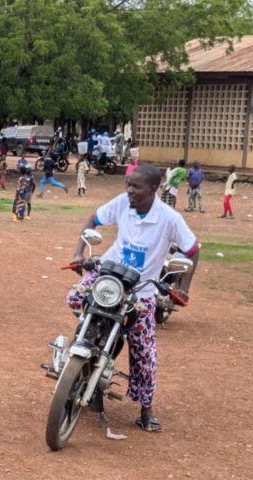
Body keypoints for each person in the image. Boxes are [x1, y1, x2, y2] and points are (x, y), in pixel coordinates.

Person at [67, 164, 199, 432]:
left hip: (142, 290)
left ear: (153, 188)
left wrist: (183, 287)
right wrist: (78, 253)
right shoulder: (122, 204)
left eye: (135, 187)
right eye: (128, 185)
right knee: (73, 297)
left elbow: (193, 249)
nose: (129, 191)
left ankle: (145, 408)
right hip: (110, 273)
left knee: (143, 351)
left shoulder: (169, 218)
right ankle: (84, 347)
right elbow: (92, 220)